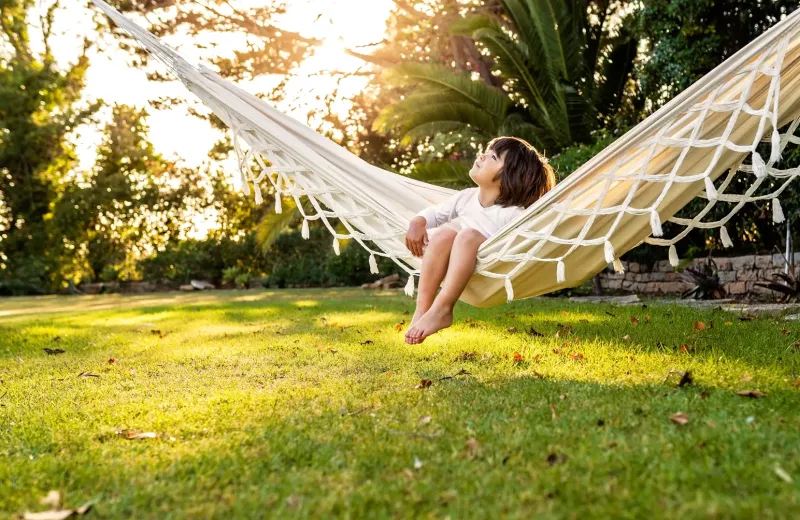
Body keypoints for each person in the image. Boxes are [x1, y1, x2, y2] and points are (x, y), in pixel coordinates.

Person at [404, 136, 556, 344]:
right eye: (487, 151)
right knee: (442, 234)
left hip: (491, 266)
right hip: (456, 264)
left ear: (509, 175)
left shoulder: (514, 214)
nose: (482, 156)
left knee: (467, 235)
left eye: (493, 157)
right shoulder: (466, 197)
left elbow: (530, 240)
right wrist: (417, 222)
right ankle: (423, 309)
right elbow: (436, 214)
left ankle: (443, 308)